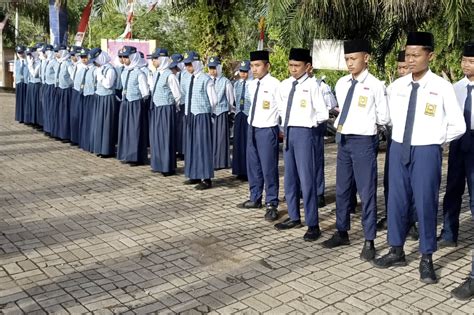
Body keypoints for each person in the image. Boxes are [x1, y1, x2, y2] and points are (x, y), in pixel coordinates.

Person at [372, 32, 465, 284]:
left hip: (426, 151)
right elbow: (387, 116)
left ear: (430, 55)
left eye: (416, 55)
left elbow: (459, 125)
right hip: (399, 148)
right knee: (396, 200)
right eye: (407, 55)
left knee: (425, 203)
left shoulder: (441, 87)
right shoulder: (397, 86)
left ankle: (426, 257)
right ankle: (396, 250)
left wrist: (434, 139)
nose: (410, 60)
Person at [321, 39, 390, 262]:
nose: (350, 63)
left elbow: (384, 117)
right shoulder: (341, 83)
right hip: (344, 142)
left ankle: (369, 240)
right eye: (347, 59)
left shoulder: (376, 85)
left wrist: (366, 125)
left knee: (367, 192)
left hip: (363, 142)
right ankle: (342, 231)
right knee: (342, 190)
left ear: (366, 58)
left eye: (354, 58)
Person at [274, 48, 329, 241]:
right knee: (290, 178)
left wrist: (308, 121)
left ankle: (313, 223)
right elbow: (280, 107)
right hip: (288, 132)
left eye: (297, 66)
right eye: (290, 65)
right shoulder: (285, 85)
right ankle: (294, 216)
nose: (293, 69)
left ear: (307, 67)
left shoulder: (313, 85)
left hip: (306, 133)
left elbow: (323, 114)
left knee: (307, 180)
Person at [377, 50, 419, 242]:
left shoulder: (424, 86)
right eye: (399, 67)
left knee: (412, 183)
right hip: (395, 138)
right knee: (391, 181)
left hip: (417, 140)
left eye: (404, 67)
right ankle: (391, 216)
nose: (402, 70)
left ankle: (410, 222)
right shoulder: (393, 87)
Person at [237, 50, 281, 222]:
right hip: (252, 127)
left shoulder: (275, 84)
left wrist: (282, 129)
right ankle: (255, 197)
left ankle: (272, 203)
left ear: (267, 66)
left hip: (268, 129)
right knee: (253, 165)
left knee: (269, 168)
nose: (254, 69)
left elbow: (281, 108)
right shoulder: (251, 84)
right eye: (252, 66)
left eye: (257, 65)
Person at [448, 41, 474, 301]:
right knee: (453, 189)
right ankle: (449, 232)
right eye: (464, 60)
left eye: (472, 61)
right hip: (458, 140)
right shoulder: (455, 88)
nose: (466, 65)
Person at [180, 51, 217, 189]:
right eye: (186, 65)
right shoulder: (190, 78)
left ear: (196, 63)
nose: (188, 67)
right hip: (190, 115)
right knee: (191, 146)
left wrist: (206, 112)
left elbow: (213, 100)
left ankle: (206, 178)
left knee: (202, 146)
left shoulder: (205, 79)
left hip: (201, 116)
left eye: (190, 64)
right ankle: (194, 174)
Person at [307, 66, 338, 208]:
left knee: (316, 159)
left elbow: (331, 104)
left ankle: (319, 193)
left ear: (309, 67)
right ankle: (304, 189)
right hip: (301, 127)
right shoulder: (293, 84)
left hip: (316, 125)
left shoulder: (321, 86)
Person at [148, 48, 181, 175]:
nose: (153, 61)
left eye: (155, 59)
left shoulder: (170, 76)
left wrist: (171, 107)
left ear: (162, 60)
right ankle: (158, 164)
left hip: (166, 109)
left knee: (166, 137)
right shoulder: (156, 73)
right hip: (157, 108)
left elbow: (177, 95)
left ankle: (167, 166)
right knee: (157, 137)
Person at [117, 46, 150, 165]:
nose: (124, 59)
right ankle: (126, 154)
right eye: (123, 57)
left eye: (127, 57)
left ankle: (136, 157)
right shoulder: (125, 71)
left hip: (135, 104)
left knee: (135, 130)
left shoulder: (139, 73)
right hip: (125, 102)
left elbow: (145, 92)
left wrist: (137, 100)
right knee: (125, 129)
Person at [91, 48, 120, 158]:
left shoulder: (110, 69)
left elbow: (108, 84)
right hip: (100, 97)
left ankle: (107, 150)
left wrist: (100, 76)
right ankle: (99, 148)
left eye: (96, 59)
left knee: (107, 124)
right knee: (99, 123)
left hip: (107, 98)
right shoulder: (100, 68)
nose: (95, 62)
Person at [208, 56, 235, 170]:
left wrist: (229, 110)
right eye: (210, 68)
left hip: (221, 112)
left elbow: (230, 98)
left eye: (214, 68)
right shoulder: (207, 80)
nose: (212, 71)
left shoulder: (225, 81)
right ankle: (211, 160)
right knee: (212, 137)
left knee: (221, 138)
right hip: (210, 112)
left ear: (219, 68)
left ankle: (222, 161)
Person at [232, 60, 252, 180]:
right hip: (239, 113)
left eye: (245, 72)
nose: (243, 74)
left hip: (248, 114)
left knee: (247, 143)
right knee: (238, 143)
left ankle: (247, 170)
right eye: (241, 71)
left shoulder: (252, 84)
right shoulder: (237, 84)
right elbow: (235, 98)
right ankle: (239, 169)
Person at [54, 45, 73, 142]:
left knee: (65, 113)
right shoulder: (59, 63)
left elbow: (73, 77)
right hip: (60, 89)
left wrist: (69, 84)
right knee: (60, 112)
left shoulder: (67, 64)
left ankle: (66, 135)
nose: (56, 54)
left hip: (66, 91)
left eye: (58, 52)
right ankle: (59, 133)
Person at [79, 49, 97, 152]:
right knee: (84, 119)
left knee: (91, 120)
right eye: (82, 57)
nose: (84, 59)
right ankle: (84, 142)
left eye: (85, 57)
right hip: (84, 95)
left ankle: (91, 143)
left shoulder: (94, 69)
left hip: (92, 96)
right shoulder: (82, 69)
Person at [169, 53, 186, 160]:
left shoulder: (187, 75)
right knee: (178, 129)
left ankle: (184, 151)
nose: (175, 68)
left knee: (184, 129)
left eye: (176, 66)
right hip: (177, 105)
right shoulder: (176, 75)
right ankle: (179, 150)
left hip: (185, 104)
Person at [69, 46, 85, 145]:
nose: (72, 57)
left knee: (79, 115)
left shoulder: (83, 66)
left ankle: (79, 138)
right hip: (75, 90)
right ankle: (74, 137)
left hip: (81, 92)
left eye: (73, 55)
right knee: (74, 115)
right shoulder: (75, 65)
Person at [25, 47, 42, 127]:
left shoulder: (39, 62)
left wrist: (30, 65)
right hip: (31, 83)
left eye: (31, 54)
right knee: (31, 103)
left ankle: (37, 122)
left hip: (37, 84)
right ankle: (31, 120)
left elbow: (35, 74)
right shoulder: (30, 61)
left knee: (37, 104)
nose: (29, 56)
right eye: (28, 55)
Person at [14, 45, 28, 124]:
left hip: (26, 82)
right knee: (19, 101)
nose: (20, 54)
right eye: (19, 53)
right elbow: (15, 73)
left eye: (22, 52)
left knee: (26, 100)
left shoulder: (28, 61)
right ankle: (20, 117)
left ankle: (26, 117)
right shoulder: (17, 62)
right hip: (19, 82)